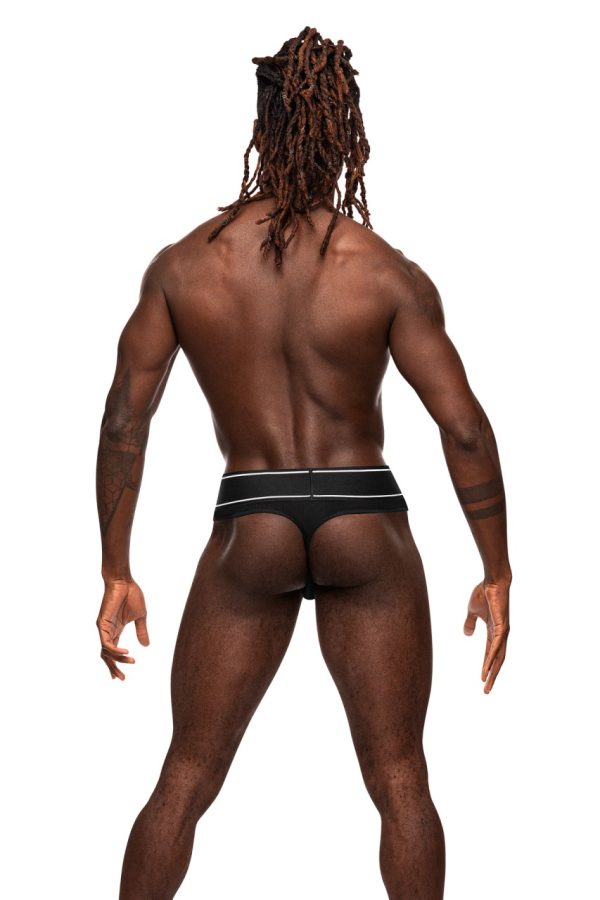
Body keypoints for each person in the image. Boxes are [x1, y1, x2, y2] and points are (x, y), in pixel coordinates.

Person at [95, 25, 511, 900]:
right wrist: (496, 570)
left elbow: (127, 419)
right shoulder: (385, 272)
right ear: (347, 134)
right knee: (400, 778)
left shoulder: (185, 266)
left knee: (186, 773)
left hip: (253, 515)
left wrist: (116, 569)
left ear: (261, 127)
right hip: (366, 514)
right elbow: (464, 427)